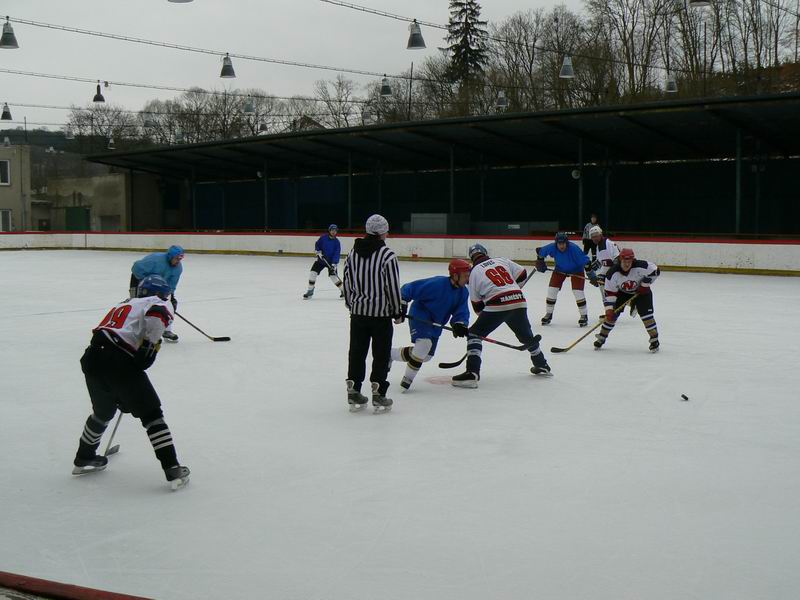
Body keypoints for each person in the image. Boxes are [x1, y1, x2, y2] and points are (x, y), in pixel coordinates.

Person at [72, 274, 190, 490]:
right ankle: (172, 469)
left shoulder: (125, 303)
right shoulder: (158, 302)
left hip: (92, 358)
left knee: (103, 412)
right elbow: (158, 316)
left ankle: (84, 456)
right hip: (117, 360)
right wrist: (148, 348)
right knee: (152, 414)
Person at [452, 244, 551, 388]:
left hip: (497, 302)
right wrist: (513, 289)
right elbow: (522, 273)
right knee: (526, 336)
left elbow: (477, 305)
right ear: (485, 252)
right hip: (518, 299)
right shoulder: (501, 260)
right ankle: (542, 364)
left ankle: (472, 373)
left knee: (475, 333)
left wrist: (489, 313)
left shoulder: (473, 272)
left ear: (472, 258)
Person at [342, 214, 403, 413]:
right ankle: (379, 392)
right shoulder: (387, 255)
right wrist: (397, 311)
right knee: (381, 353)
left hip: (358, 314)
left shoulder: (353, 253)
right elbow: (392, 287)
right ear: (382, 232)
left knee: (357, 352)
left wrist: (353, 305)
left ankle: (354, 389)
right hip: (380, 316)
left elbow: (348, 283)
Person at [390, 259, 471, 391]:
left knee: (426, 356)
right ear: (455, 275)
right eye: (465, 275)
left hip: (436, 323)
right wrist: (403, 302)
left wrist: (460, 324)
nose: (468, 278)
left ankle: (391, 355)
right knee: (424, 344)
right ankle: (407, 381)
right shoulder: (437, 284)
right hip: (421, 315)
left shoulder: (463, 293)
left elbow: (461, 312)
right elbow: (409, 288)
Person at [594, 248, 661, 352]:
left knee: (647, 316)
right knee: (611, 316)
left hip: (641, 292)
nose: (627, 264)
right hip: (622, 293)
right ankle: (602, 337)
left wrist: (645, 284)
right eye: (625, 261)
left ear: (633, 260)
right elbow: (610, 293)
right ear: (620, 260)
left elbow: (655, 270)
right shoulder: (612, 273)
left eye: (629, 261)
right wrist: (609, 309)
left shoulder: (641, 265)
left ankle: (654, 340)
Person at [535, 232, 597, 327]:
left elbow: (586, 262)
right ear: (556, 243)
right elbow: (540, 252)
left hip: (577, 270)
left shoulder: (574, 249)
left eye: (563, 243)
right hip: (560, 269)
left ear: (567, 242)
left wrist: (591, 275)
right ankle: (548, 314)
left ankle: (584, 315)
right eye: (559, 243)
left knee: (578, 292)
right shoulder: (552, 247)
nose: (561, 246)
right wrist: (540, 261)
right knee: (552, 290)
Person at [130, 245, 184, 342]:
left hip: (159, 287)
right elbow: (136, 268)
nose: (178, 261)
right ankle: (136, 330)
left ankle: (166, 330)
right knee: (138, 304)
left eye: (180, 259)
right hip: (141, 281)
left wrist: (166, 296)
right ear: (170, 256)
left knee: (171, 303)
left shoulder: (178, 268)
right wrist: (146, 285)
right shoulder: (155, 260)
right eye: (176, 259)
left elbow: (171, 285)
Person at [303, 224, 343, 299]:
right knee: (313, 273)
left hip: (331, 263)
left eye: (335, 230)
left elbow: (337, 253)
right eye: (332, 230)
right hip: (321, 260)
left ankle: (344, 290)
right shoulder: (323, 238)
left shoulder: (337, 242)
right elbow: (317, 244)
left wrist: (334, 264)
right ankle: (310, 290)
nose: (334, 232)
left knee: (333, 277)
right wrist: (318, 252)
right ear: (329, 230)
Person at [587, 225, 620, 311]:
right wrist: (591, 269)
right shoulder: (599, 246)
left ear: (601, 234)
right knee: (606, 291)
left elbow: (617, 261)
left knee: (611, 293)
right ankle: (609, 311)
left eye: (596, 236)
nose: (594, 238)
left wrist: (607, 276)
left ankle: (610, 311)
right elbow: (602, 261)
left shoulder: (609, 244)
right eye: (593, 237)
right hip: (607, 272)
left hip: (615, 272)